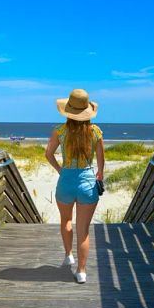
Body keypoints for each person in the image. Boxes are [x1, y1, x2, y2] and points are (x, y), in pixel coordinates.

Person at [45, 89, 104, 284]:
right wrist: (99, 174)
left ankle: (68, 254)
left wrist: (60, 170)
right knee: (84, 230)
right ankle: (81, 271)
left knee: (66, 220)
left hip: (66, 181)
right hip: (87, 181)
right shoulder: (95, 131)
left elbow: (48, 154)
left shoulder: (59, 131)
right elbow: (101, 161)